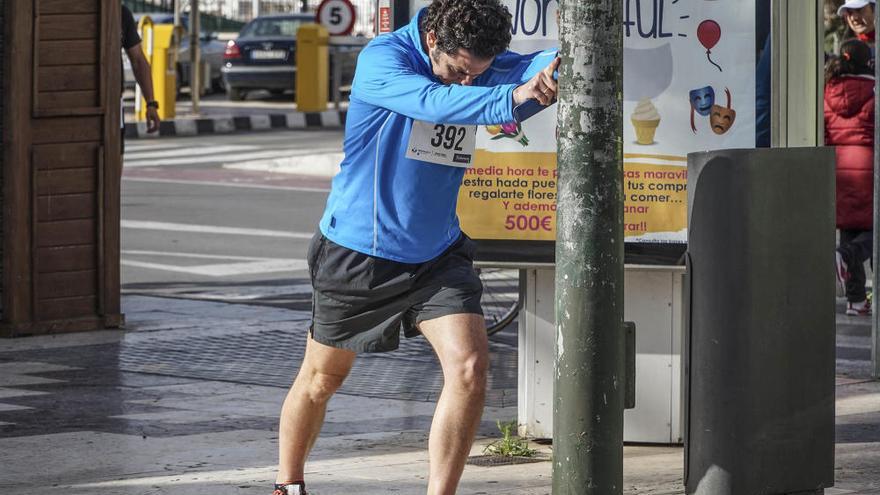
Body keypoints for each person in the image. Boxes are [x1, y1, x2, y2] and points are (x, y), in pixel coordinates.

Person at [271, 1, 558, 494]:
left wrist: (552, 67)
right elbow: (434, 102)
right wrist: (511, 100)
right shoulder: (383, 60)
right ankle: (287, 484)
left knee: (469, 369)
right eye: (458, 72)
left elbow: (528, 65)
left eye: (478, 75)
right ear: (432, 43)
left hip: (437, 254)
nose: (467, 83)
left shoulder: (472, 63)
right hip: (359, 253)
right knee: (321, 380)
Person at [825, 38, 875, 316]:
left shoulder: (828, 90)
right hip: (868, 168)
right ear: (868, 62)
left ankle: (856, 301)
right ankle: (846, 257)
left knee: (850, 228)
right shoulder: (873, 90)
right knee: (871, 231)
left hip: (838, 168)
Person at [122, 4, 161, 139]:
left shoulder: (120, 13)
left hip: (112, 104)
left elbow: (138, 61)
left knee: (113, 154)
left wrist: (151, 103)